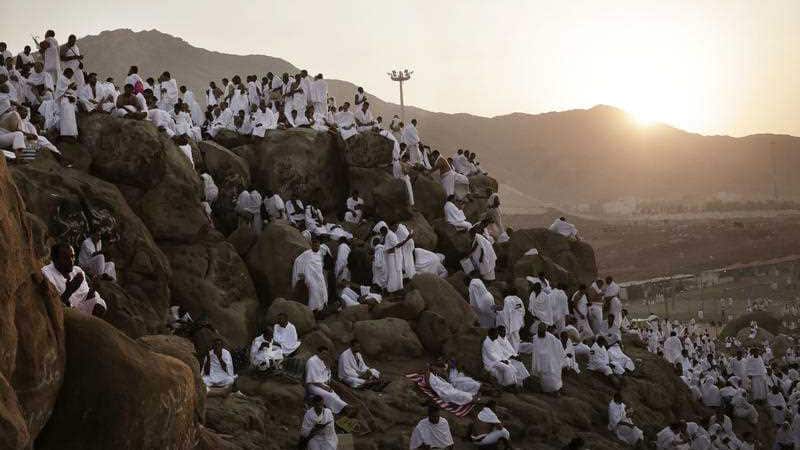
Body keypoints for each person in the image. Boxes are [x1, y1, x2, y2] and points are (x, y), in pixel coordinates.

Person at [42, 242, 107, 316]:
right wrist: (69, 291)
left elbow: (86, 296)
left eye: (72, 256)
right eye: (65, 258)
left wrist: (93, 289)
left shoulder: (77, 271)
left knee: (99, 307)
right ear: (54, 259)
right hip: (67, 312)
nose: (71, 261)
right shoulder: (47, 273)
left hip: (83, 309)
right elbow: (55, 305)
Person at [305, 346, 348, 414]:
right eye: (323, 353)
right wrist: (324, 387)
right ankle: (345, 408)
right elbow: (312, 379)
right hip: (312, 386)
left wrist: (328, 368)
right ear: (318, 352)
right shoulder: (311, 361)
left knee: (334, 394)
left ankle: (345, 407)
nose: (325, 355)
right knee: (329, 395)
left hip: (321, 385)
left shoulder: (321, 361)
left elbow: (325, 375)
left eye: (326, 354)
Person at [292, 238, 329, 312]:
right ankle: (312, 311)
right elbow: (298, 261)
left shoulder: (320, 253)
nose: (316, 247)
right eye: (314, 245)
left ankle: (320, 310)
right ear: (312, 246)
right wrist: (301, 273)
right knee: (313, 294)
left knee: (322, 293)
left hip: (319, 278)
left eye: (317, 245)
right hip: (311, 278)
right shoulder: (307, 254)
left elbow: (320, 265)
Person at [530, 323, 564, 393]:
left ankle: (556, 389)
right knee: (543, 377)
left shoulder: (551, 337)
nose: (541, 331)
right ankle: (546, 390)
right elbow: (534, 349)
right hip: (540, 361)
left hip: (550, 361)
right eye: (539, 330)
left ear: (545, 330)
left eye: (542, 330)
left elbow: (559, 346)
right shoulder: (535, 338)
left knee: (553, 376)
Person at [55, 67, 78, 138]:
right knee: (66, 117)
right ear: (67, 73)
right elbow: (59, 91)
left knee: (71, 117)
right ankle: (65, 133)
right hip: (65, 100)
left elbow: (71, 88)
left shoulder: (67, 79)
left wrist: (73, 87)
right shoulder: (61, 79)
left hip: (70, 99)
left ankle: (71, 133)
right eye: (71, 74)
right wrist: (69, 87)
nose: (71, 76)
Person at [381, 225, 404, 293]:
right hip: (391, 256)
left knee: (395, 272)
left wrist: (405, 240)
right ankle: (393, 288)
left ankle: (395, 288)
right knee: (393, 272)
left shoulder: (390, 235)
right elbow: (393, 246)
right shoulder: (389, 235)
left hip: (393, 256)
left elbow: (395, 246)